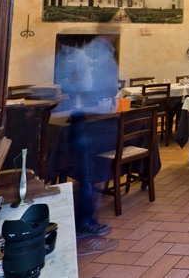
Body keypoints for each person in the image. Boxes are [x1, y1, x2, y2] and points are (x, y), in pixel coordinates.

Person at [57, 36, 120, 255]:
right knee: (87, 175)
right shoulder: (81, 56)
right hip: (84, 118)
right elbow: (89, 86)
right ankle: (84, 223)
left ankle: (83, 221)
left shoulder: (66, 56)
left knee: (86, 174)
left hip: (79, 117)